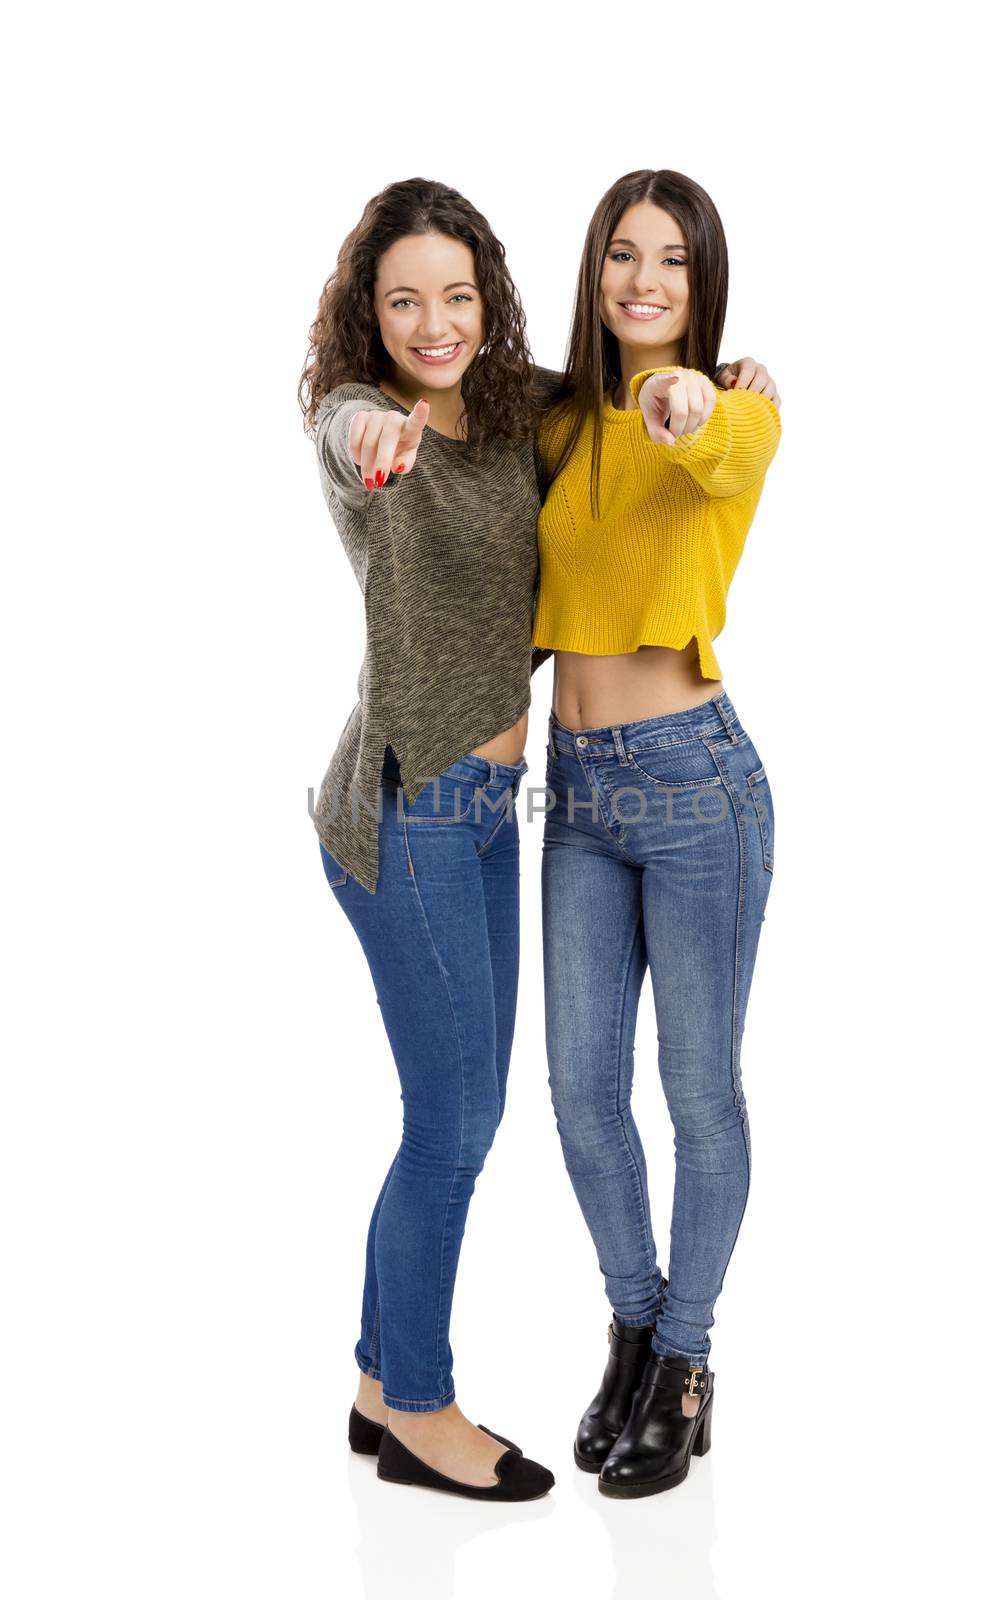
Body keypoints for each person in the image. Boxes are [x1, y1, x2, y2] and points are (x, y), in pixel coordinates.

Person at [298, 176, 557, 1501]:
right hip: (403, 808)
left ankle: (372, 1376)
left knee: (452, 1113)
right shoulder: (365, 422)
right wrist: (372, 441)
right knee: (454, 1126)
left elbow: (630, 406)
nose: (435, 322)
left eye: (455, 295)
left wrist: (728, 378)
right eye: (405, 301)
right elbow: (348, 433)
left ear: (485, 299)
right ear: (371, 313)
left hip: (492, 814)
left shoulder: (519, 412)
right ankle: (422, 1409)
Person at [533, 168, 783, 1498]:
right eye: (623, 256)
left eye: (671, 262)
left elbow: (708, 437)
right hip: (576, 794)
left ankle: (686, 1360)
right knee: (579, 1093)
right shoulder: (556, 424)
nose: (642, 281)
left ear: (703, 284)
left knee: (696, 1091)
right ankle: (636, 1328)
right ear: (596, 272)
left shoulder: (736, 410)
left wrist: (695, 397)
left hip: (698, 792)